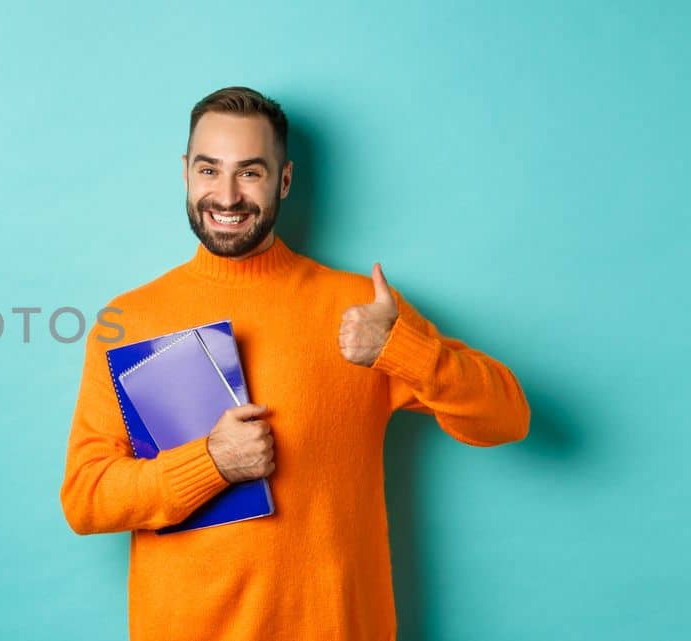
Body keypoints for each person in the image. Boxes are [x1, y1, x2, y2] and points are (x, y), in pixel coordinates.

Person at [58, 86, 530, 641]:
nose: (227, 196)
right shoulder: (130, 318)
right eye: (209, 170)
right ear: (186, 173)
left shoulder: (359, 310)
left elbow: (507, 418)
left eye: (251, 173)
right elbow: (87, 498)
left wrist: (406, 348)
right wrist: (210, 462)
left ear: (284, 180)